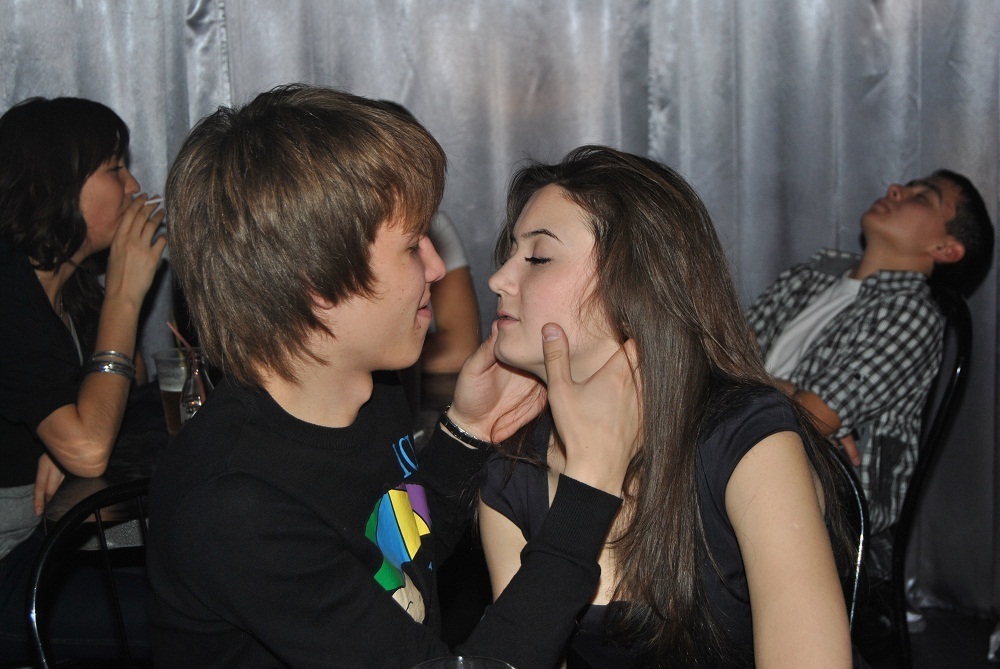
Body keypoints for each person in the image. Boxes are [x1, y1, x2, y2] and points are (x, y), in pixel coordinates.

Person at [148, 84, 640, 669]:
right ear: (318, 284)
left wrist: (467, 432)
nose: (436, 267)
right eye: (411, 248)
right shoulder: (237, 506)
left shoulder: (366, 393)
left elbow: (396, 557)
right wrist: (589, 491)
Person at [479, 146, 856, 668]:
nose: (499, 278)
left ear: (640, 285)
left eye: (538, 257)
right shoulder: (513, 468)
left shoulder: (745, 439)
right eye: (510, 253)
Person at [746, 170, 994, 579]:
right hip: (757, 451)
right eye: (906, 186)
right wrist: (786, 394)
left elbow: (810, 418)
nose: (896, 190)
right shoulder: (813, 274)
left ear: (945, 248)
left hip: (833, 504)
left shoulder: (912, 314)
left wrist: (768, 394)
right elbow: (719, 360)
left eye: (923, 197)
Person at [0, 96, 166, 660]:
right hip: (8, 569)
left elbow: (124, 393)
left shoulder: (67, 287)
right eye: (115, 168)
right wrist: (125, 293)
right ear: (56, 186)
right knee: (196, 620)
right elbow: (92, 447)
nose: (133, 186)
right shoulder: (7, 289)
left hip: (44, 543)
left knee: (215, 580)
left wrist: (66, 424)